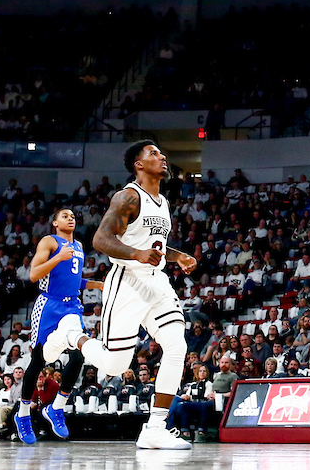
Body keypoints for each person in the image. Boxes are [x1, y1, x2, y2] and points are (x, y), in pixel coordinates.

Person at [51, 140, 196, 450]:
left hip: (155, 282)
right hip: (127, 282)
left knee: (176, 345)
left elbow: (151, 246)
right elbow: (101, 239)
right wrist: (136, 254)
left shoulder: (163, 202)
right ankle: (72, 335)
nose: (163, 155)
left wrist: (177, 256)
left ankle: (155, 428)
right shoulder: (128, 196)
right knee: (116, 366)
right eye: (154, 153)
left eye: (161, 151)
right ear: (138, 165)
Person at [15, 208, 102, 445]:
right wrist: (58, 257)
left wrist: (98, 284)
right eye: (65, 215)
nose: (71, 218)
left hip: (72, 306)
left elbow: (74, 279)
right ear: (55, 223)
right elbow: (33, 274)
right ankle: (22, 414)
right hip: (48, 305)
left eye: (73, 215)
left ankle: (57, 407)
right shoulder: (50, 241)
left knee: (77, 357)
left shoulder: (80, 246)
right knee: (38, 361)